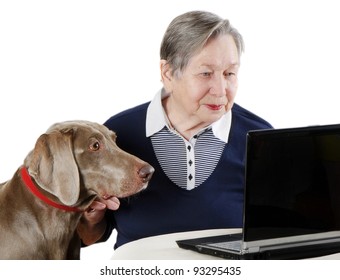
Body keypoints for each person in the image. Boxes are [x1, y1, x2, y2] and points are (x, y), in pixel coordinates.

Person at [77, 10, 272, 250]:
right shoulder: (118, 133)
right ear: (168, 73)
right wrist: (91, 215)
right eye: (206, 73)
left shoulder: (260, 138)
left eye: (229, 73)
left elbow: (277, 238)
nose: (221, 89)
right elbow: (89, 236)